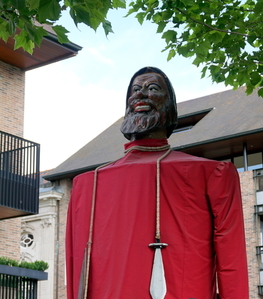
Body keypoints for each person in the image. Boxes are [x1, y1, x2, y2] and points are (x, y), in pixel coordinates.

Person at [66, 67, 249, 299]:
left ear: (169, 106)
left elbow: (231, 259)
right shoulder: (86, 186)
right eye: (135, 90)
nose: (141, 95)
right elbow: (74, 270)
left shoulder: (211, 174)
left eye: (152, 88)